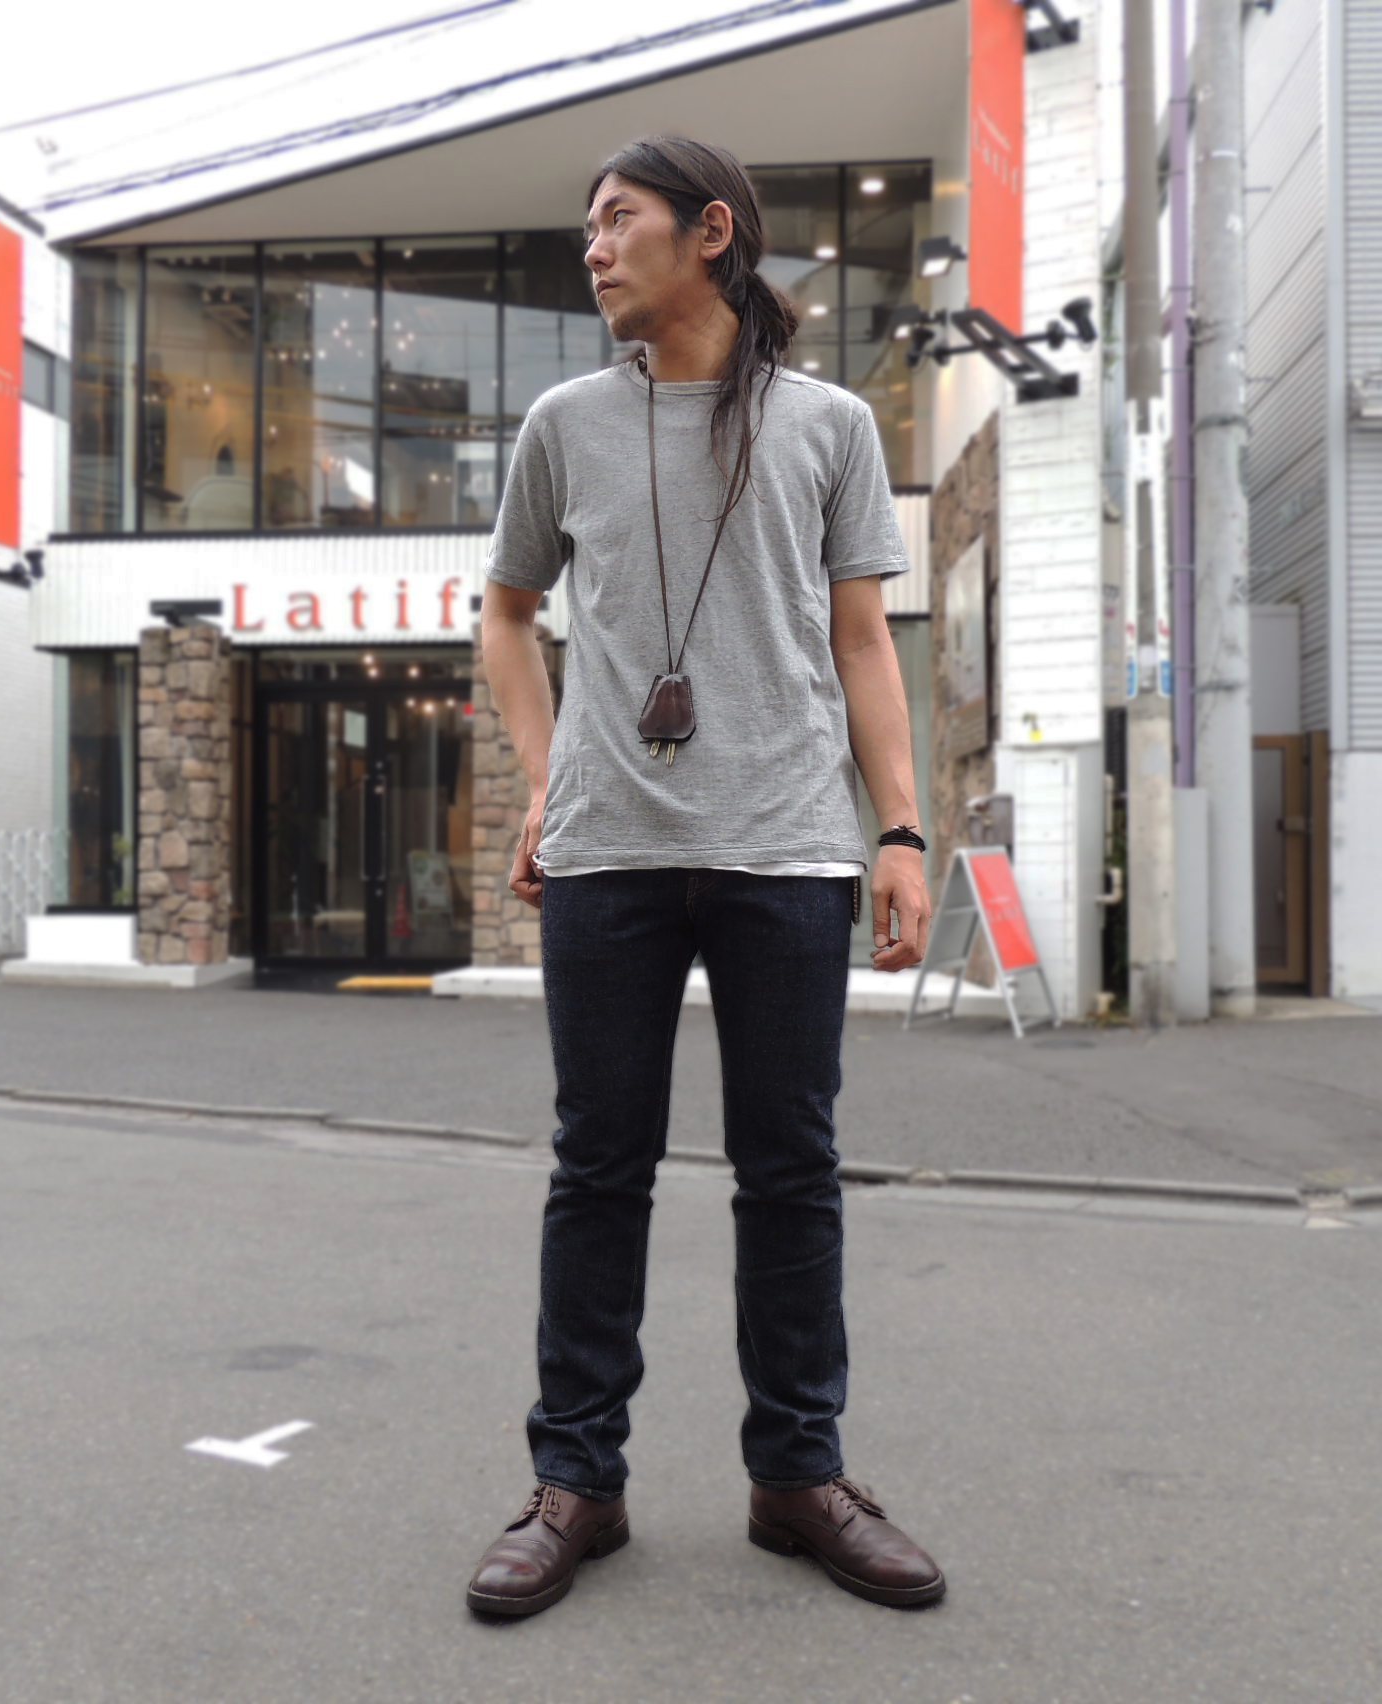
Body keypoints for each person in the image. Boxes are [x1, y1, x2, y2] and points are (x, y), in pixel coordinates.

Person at [466, 136, 944, 1618]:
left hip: (788, 846)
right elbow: (506, 615)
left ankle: (798, 1476)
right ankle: (576, 1483)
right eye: (588, 227)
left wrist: (901, 830)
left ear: (711, 231)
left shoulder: (830, 426)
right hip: (609, 852)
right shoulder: (564, 423)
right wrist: (547, 777)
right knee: (597, 1171)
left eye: (620, 221)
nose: (595, 249)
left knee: (791, 1175)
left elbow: (863, 643)